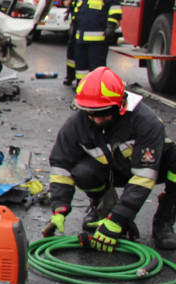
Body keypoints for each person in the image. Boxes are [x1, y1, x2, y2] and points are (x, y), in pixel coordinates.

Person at [43, 67, 176, 250]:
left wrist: (119, 219)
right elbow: (61, 166)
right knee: (83, 172)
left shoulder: (146, 122)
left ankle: (165, 220)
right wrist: (59, 208)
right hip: (111, 171)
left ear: (120, 106)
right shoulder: (77, 123)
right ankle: (101, 205)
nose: (97, 120)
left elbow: (144, 178)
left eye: (103, 113)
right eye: (91, 114)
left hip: (147, 169)